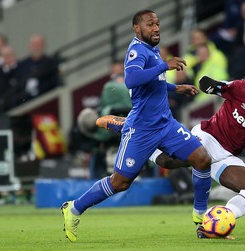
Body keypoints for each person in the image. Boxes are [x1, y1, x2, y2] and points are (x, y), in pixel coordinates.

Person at [97, 72, 245, 238]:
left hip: (225, 156)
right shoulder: (244, 89)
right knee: (169, 162)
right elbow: (210, 84)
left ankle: (214, 224)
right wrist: (211, 85)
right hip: (206, 137)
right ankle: (129, 127)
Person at [61, 9, 212, 243]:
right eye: (150, 24)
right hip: (141, 129)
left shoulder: (151, 48)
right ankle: (74, 208)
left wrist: (176, 89)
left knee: (202, 158)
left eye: (158, 23)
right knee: (120, 183)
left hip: (165, 123)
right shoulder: (136, 50)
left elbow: (152, 82)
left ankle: (200, 217)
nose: (156, 28)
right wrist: (165, 66)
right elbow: (132, 80)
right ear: (137, 28)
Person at [19, 34, 61, 101]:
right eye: (34, 45)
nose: (36, 47)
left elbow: (54, 82)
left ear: (43, 46)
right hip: (26, 102)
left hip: (46, 99)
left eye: (38, 44)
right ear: (29, 46)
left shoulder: (50, 63)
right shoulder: (22, 65)